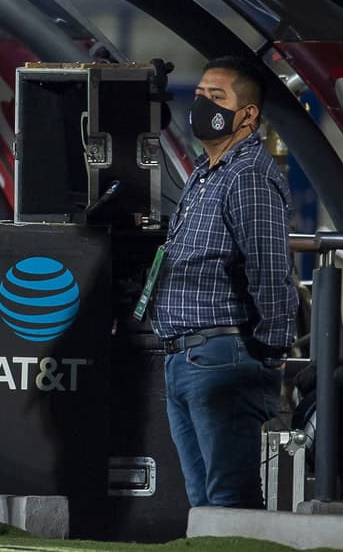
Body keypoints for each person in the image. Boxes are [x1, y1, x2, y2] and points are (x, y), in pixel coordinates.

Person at [144, 55, 298, 508]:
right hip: (185, 357)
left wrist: (270, 348)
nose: (202, 105)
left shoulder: (247, 175)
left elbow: (269, 268)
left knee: (229, 500)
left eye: (217, 97)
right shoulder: (205, 171)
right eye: (199, 95)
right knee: (204, 503)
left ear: (247, 114)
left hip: (223, 357)